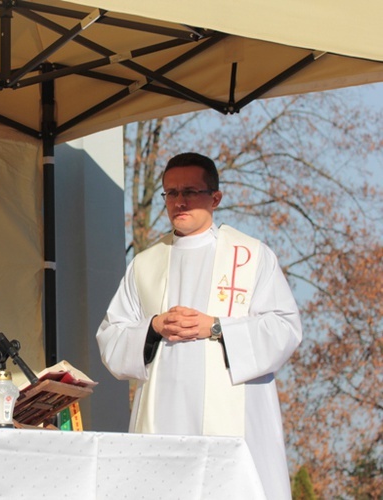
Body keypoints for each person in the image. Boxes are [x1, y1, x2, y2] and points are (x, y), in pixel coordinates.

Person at [96, 152, 302, 499]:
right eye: (171, 193)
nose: (179, 202)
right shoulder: (145, 264)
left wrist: (217, 328)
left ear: (215, 198)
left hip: (232, 418)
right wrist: (154, 326)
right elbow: (111, 336)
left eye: (190, 191)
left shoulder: (250, 256)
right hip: (163, 415)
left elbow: (285, 329)